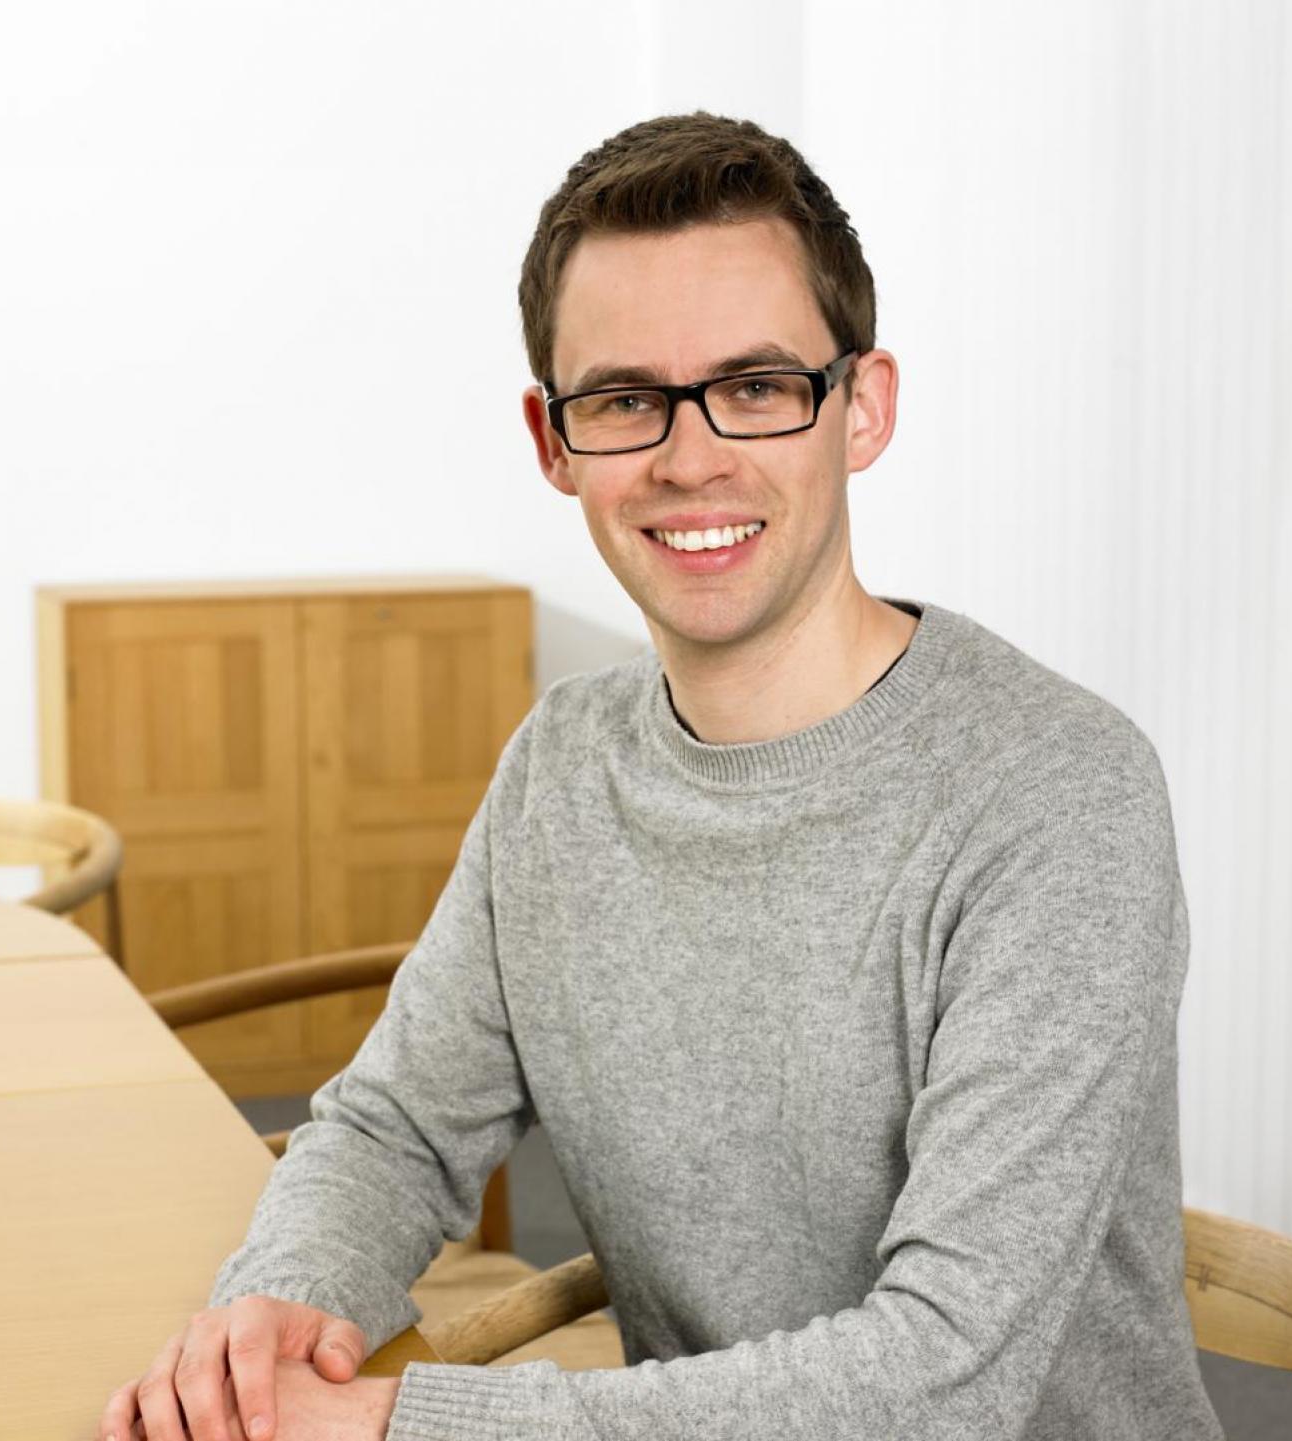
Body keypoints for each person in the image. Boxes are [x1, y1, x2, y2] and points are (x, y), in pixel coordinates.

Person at [100, 111, 1224, 1441]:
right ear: (554, 440)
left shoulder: (1056, 795)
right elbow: (394, 1127)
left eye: (756, 386)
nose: (691, 457)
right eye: (627, 399)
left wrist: (400, 1424)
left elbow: (943, 1377)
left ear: (861, 409)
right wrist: (277, 1303)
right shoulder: (560, 770)